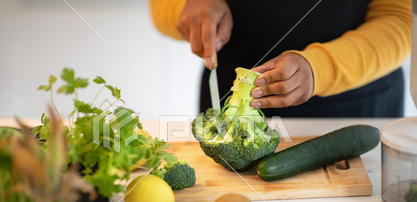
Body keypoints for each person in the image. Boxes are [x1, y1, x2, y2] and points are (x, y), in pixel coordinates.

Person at [150, 0, 411, 117]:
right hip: (232, 92)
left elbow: (401, 18)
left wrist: (320, 67)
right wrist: (185, 4)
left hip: (358, 102)